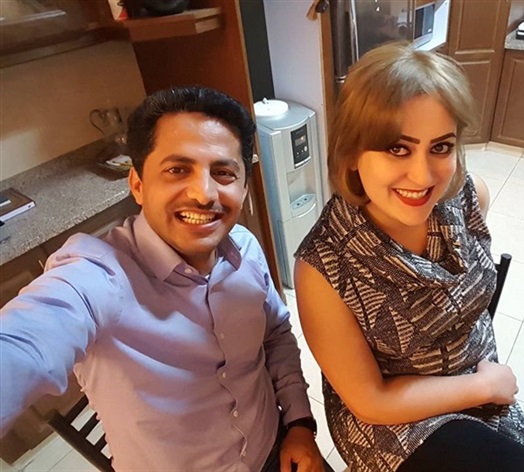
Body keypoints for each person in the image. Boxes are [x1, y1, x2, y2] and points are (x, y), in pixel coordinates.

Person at [0, 86, 326, 472]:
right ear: (138, 185)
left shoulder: (246, 249)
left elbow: (275, 335)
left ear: (243, 188)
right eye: (177, 170)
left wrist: (300, 424)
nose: (203, 194)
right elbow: (24, 342)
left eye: (223, 173)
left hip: (276, 450)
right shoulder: (98, 276)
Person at [294, 43, 524, 472]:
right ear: (352, 153)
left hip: (476, 382)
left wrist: (481, 383)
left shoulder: (467, 197)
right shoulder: (324, 267)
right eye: (398, 149)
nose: (422, 176)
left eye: (440, 147)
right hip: (394, 423)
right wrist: (484, 386)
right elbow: (370, 401)